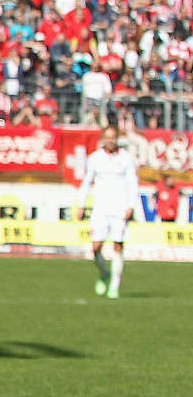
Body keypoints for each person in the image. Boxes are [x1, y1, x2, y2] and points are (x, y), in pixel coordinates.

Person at [76, 126, 138, 298]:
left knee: (118, 245)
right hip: (100, 209)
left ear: (117, 138)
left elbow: (133, 182)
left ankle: (114, 287)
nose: (110, 140)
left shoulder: (125, 158)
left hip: (120, 208)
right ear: (103, 138)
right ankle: (104, 273)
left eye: (113, 137)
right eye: (107, 137)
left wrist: (131, 205)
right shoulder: (95, 158)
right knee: (95, 248)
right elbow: (87, 181)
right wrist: (81, 204)